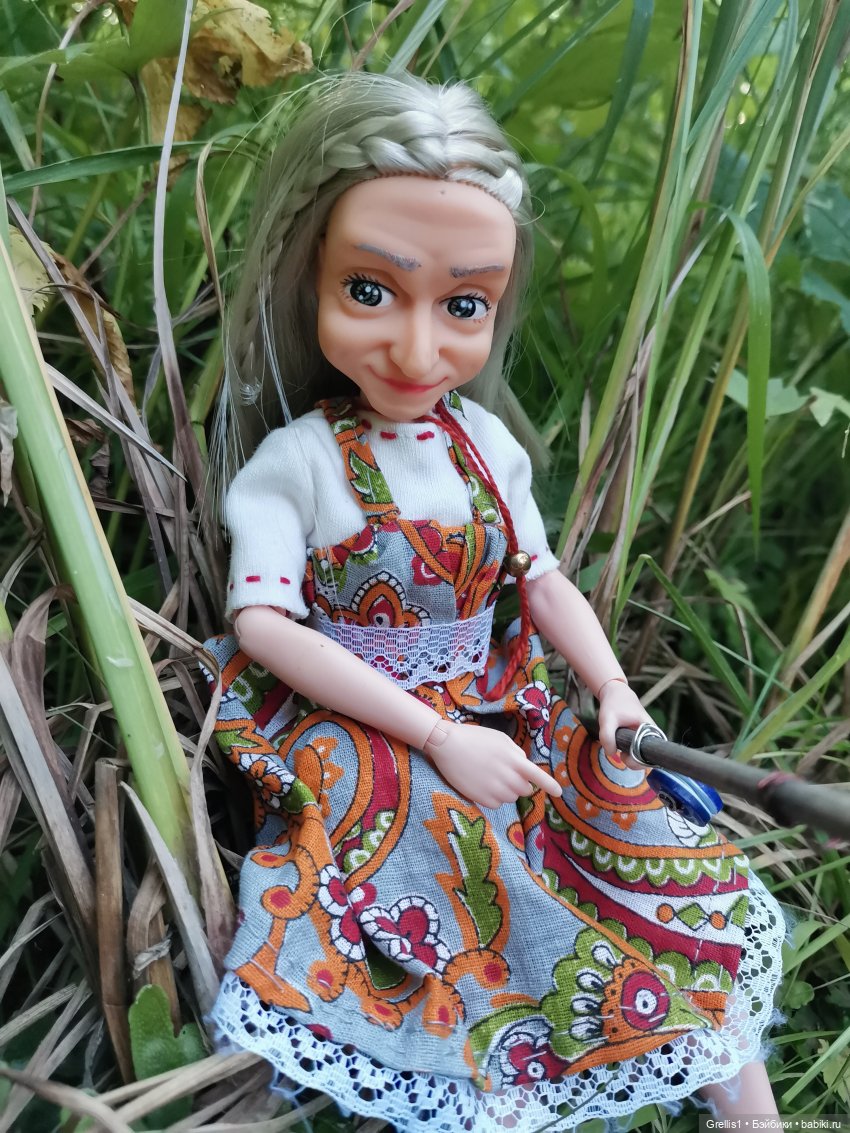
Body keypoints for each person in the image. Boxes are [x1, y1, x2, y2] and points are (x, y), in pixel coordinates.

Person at [204, 72, 785, 1130]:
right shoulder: (300, 462)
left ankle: (741, 1100)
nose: (418, 350)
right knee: (458, 863)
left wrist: (612, 687)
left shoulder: (485, 444)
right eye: (370, 291)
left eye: (463, 305)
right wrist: (434, 733)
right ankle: (490, 1078)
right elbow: (263, 627)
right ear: (308, 277)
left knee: (641, 851)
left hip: (504, 705)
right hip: (367, 737)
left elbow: (540, 578)